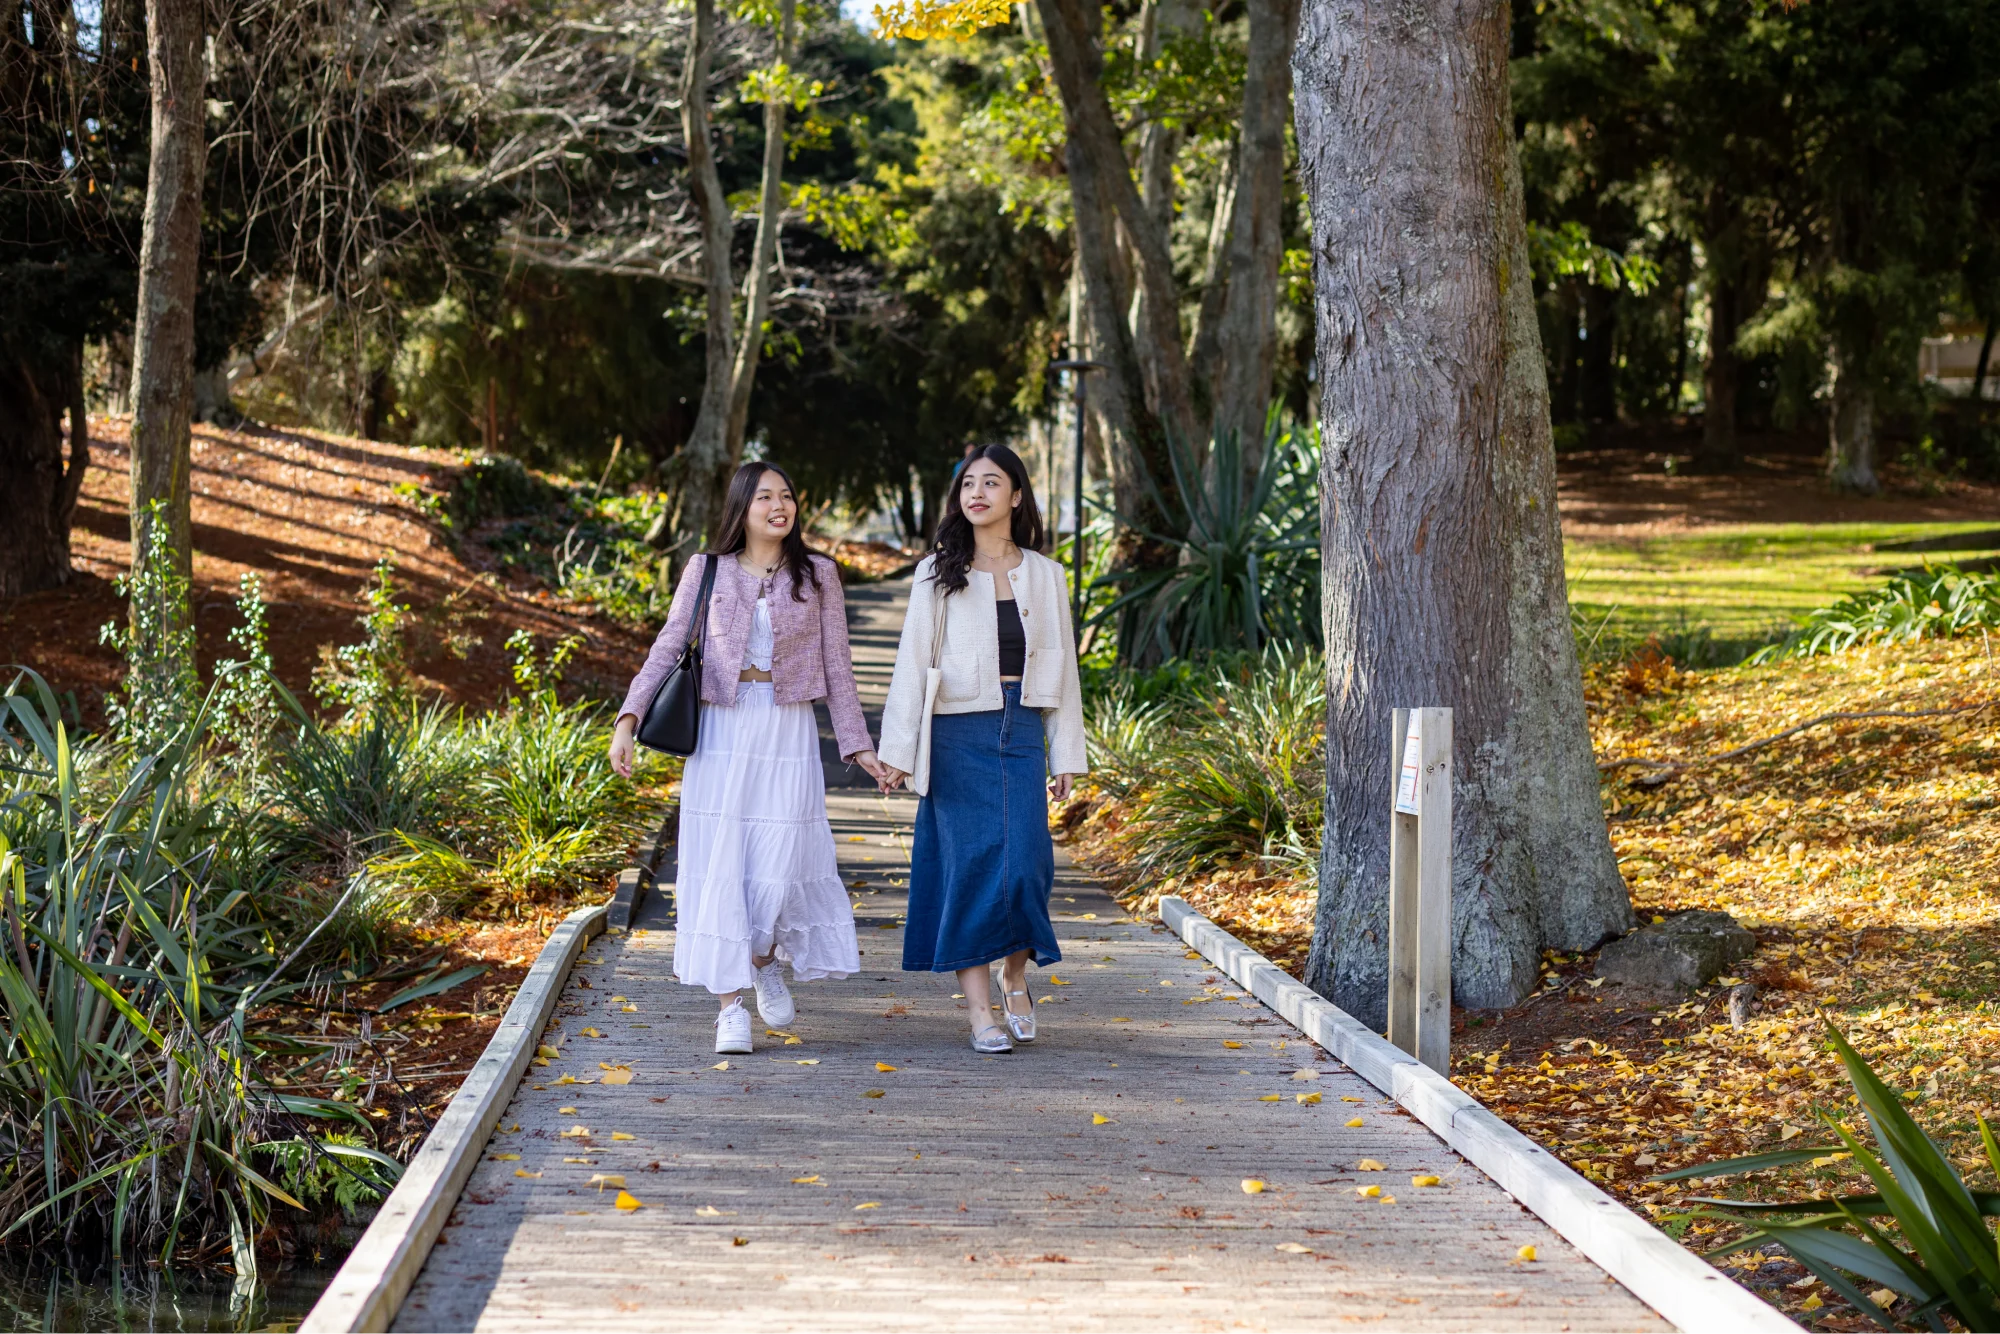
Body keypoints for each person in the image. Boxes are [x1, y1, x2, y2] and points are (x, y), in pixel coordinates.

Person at [609, 463, 888, 1054]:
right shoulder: (706, 570)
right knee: (722, 864)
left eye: (787, 495)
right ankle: (729, 1006)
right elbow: (667, 645)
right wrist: (628, 719)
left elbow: (838, 667)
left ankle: (763, 958)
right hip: (721, 732)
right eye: (765, 496)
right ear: (742, 506)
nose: (778, 505)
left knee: (780, 861)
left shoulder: (818, 576)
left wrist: (859, 747)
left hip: (787, 731)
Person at [877, 444, 1087, 1054]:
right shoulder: (936, 571)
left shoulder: (1046, 575)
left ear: (1016, 496)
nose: (978, 493)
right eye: (968, 483)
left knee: (1026, 865)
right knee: (968, 870)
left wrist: (1066, 754)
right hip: (955, 734)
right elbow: (912, 665)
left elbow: (1065, 668)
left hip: (1021, 729)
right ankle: (980, 1013)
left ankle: (1014, 977)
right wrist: (898, 748)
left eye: (992, 483)